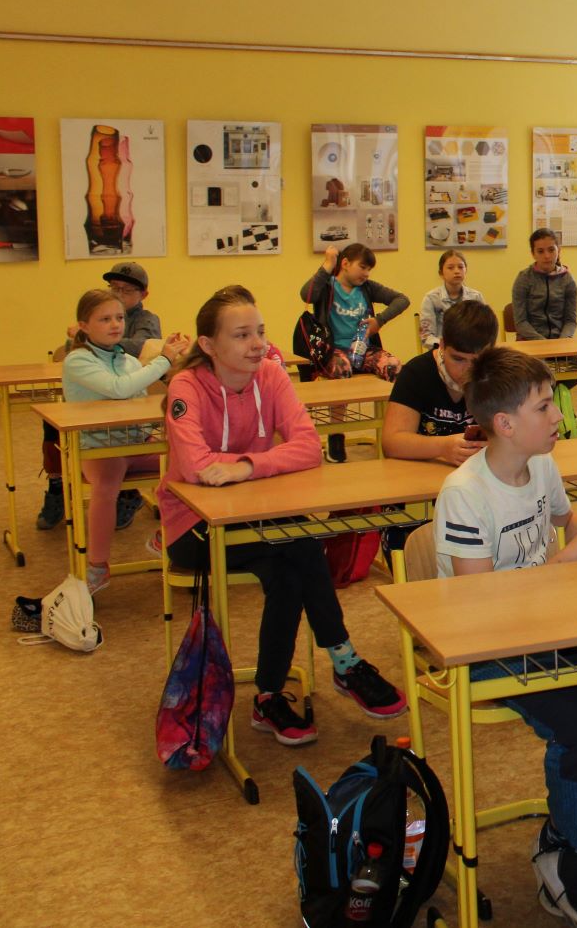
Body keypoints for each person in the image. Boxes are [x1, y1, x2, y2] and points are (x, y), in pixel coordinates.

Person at [432, 345, 577, 926]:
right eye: (543, 406)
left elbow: (564, 519)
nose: (559, 414)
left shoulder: (542, 464)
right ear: (505, 424)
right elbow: (480, 602)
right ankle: (572, 846)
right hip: (490, 645)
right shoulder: (464, 493)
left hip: (557, 625)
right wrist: (570, 560)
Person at [160, 285, 406, 746]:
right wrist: (266, 462)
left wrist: (247, 466)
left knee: (293, 569)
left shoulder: (271, 376)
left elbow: (308, 448)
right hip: (194, 528)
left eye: (260, 332)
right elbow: (196, 467)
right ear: (209, 345)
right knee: (303, 545)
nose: (258, 344)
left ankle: (270, 694)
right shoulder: (186, 386)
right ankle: (344, 661)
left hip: (259, 517)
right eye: (241, 335)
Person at [60, 288, 190, 593]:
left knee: (190, 465)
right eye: (105, 319)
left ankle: (167, 537)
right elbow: (119, 389)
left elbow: (140, 394)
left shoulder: (128, 360)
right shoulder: (77, 361)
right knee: (107, 486)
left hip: (136, 443)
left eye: (119, 317)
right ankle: (97, 566)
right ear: (83, 326)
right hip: (98, 448)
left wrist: (177, 362)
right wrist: (163, 359)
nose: (115, 324)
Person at [40, 260, 164, 532]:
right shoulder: (82, 354)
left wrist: (100, 338)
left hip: (130, 423)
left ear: (143, 294)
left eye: (127, 290)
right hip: (98, 432)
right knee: (53, 420)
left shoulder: (146, 320)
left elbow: (141, 347)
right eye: (114, 287)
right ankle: (57, 483)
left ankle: (133, 496)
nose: (119, 294)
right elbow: (75, 348)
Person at [383, 299, 498, 464]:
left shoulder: (499, 376)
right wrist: (442, 448)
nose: (467, 370)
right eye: (458, 359)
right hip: (424, 471)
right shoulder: (416, 373)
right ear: (442, 345)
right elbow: (391, 443)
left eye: (477, 361)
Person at [301, 243, 408, 382]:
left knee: (393, 365)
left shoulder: (367, 287)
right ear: (345, 263)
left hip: (362, 350)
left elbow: (402, 300)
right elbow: (306, 295)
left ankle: (389, 397)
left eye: (369, 269)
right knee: (342, 367)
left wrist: (379, 320)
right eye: (362, 267)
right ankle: (340, 398)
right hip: (333, 351)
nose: (366, 274)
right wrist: (328, 264)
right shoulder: (327, 286)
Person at [512, 227, 577, 340]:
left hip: (561, 341)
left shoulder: (568, 279)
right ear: (533, 254)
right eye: (540, 251)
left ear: (558, 250)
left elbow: (570, 321)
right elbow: (521, 322)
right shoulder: (523, 279)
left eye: (551, 250)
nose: (546, 256)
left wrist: (562, 342)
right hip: (530, 341)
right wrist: (544, 343)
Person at [417, 249, 486, 350]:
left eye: (460, 267)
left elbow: (484, 330)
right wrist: (448, 347)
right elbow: (426, 337)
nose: (457, 271)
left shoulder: (476, 297)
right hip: (440, 351)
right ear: (441, 273)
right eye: (450, 268)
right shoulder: (431, 299)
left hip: (470, 350)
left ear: (466, 270)